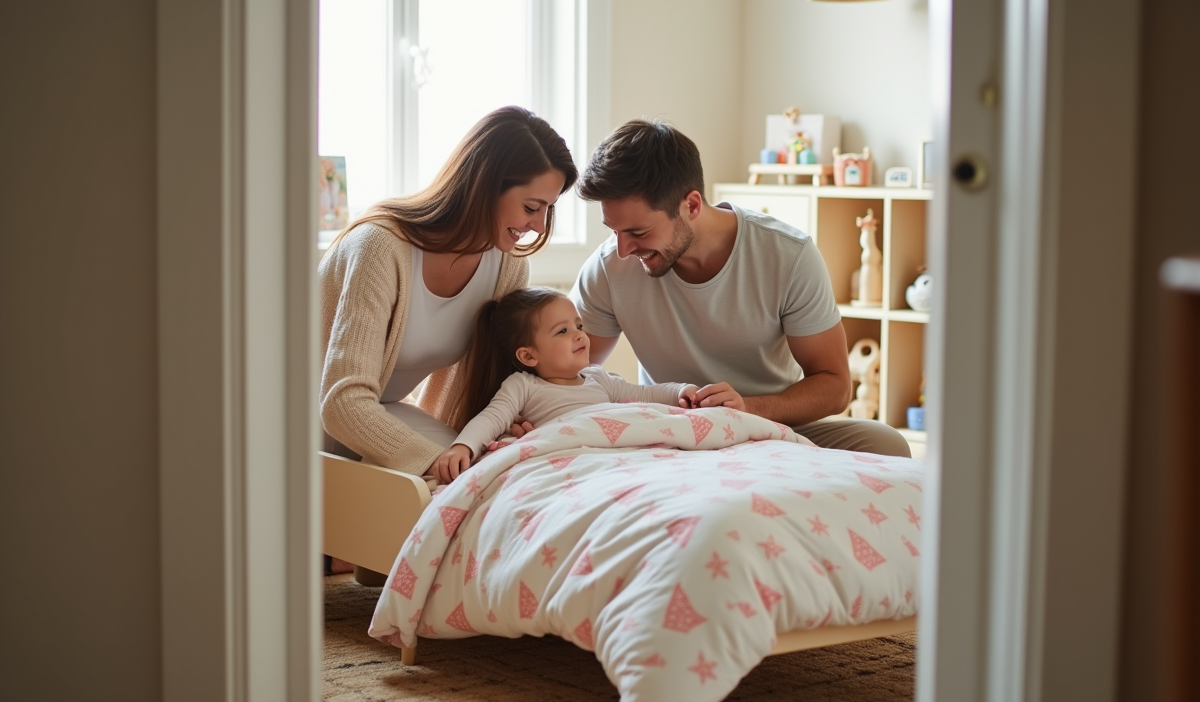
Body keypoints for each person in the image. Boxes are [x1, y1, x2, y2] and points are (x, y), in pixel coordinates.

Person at [569, 119, 911, 457]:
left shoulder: (788, 255)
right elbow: (565, 370)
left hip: (772, 423)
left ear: (691, 205)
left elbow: (835, 386)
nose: (624, 249)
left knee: (886, 443)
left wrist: (746, 408)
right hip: (674, 429)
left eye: (638, 233)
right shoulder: (608, 267)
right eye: (614, 231)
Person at [319, 106, 579, 478]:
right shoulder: (379, 247)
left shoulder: (507, 268)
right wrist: (440, 462)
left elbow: (486, 390)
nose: (538, 226)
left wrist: (508, 425)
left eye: (546, 210)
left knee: (502, 472)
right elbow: (341, 404)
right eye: (531, 208)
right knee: (465, 481)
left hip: (380, 409)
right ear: (485, 185)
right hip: (303, 417)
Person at [431, 287, 730, 484]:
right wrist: (462, 447)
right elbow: (492, 418)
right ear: (528, 355)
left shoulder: (598, 378)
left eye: (579, 325)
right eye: (562, 331)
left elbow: (643, 394)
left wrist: (680, 391)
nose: (578, 335)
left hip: (622, 449)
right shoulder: (523, 385)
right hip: (576, 458)